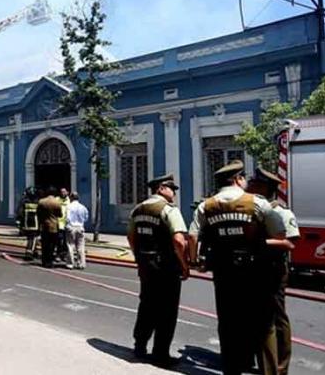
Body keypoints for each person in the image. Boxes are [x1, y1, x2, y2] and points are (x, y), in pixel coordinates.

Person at [189, 160, 284, 375]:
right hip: (255, 272)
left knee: (228, 322)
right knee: (263, 323)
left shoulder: (207, 206)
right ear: (237, 179)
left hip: (224, 273)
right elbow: (279, 233)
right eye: (243, 178)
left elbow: (192, 236)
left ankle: (233, 369)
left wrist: (195, 262)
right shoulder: (257, 203)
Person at [127, 174, 189, 367]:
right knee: (167, 311)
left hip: (146, 265)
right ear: (161, 188)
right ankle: (160, 354)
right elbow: (179, 241)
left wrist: (138, 258)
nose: (174, 193)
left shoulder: (138, 209)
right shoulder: (168, 210)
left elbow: (131, 237)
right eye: (172, 188)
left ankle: (140, 346)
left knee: (146, 305)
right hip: (166, 267)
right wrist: (185, 266)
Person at [246, 167, 298, 375]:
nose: (248, 186)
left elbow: (289, 243)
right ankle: (263, 360)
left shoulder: (280, 212)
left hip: (274, 270)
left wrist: (259, 242)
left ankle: (280, 366)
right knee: (257, 317)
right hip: (255, 268)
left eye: (252, 183)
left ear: (262, 187)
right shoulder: (255, 209)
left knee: (276, 318)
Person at [37, 187, 63, 268]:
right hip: (54, 226)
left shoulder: (41, 202)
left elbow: (38, 213)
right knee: (52, 245)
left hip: (44, 226)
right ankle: (50, 261)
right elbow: (60, 214)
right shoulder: (57, 202)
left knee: (45, 244)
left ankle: (44, 261)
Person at [65, 192, 89, 270]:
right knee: (81, 246)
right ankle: (81, 263)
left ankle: (70, 264)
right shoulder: (83, 207)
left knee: (70, 245)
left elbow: (67, 218)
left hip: (71, 227)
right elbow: (86, 217)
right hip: (80, 227)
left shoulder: (69, 207)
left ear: (71, 198)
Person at [16, 187, 40, 260]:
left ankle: (35, 251)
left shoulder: (24, 201)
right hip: (36, 224)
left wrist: (19, 223)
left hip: (26, 224)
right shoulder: (38, 202)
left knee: (31, 238)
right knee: (33, 238)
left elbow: (19, 212)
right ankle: (29, 252)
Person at [56, 188, 70, 263]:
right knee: (59, 240)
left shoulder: (69, 200)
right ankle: (58, 254)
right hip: (58, 224)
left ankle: (64, 255)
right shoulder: (57, 199)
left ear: (67, 192)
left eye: (64, 192)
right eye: (61, 192)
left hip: (67, 224)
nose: (63, 193)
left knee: (65, 241)